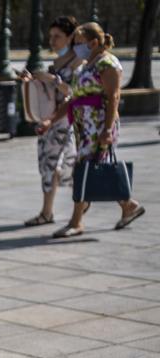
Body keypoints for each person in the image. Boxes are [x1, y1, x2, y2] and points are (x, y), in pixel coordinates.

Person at [39, 21, 145, 238]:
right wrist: (50, 120)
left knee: (83, 169)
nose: (76, 47)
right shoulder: (84, 66)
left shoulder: (108, 63)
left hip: (99, 126)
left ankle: (76, 221)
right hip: (84, 128)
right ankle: (128, 205)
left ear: (94, 42)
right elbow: (73, 99)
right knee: (94, 168)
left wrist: (107, 129)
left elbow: (114, 96)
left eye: (79, 43)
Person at [18, 17, 81, 227]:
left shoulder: (77, 62)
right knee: (48, 165)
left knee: (59, 166)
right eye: (51, 36)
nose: (52, 41)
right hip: (50, 121)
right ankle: (48, 212)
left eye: (58, 37)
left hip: (64, 121)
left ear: (70, 38)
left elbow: (74, 92)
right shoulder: (56, 63)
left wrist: (53, 80)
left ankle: (62, 214)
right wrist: (32, 81)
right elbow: (51, 93)